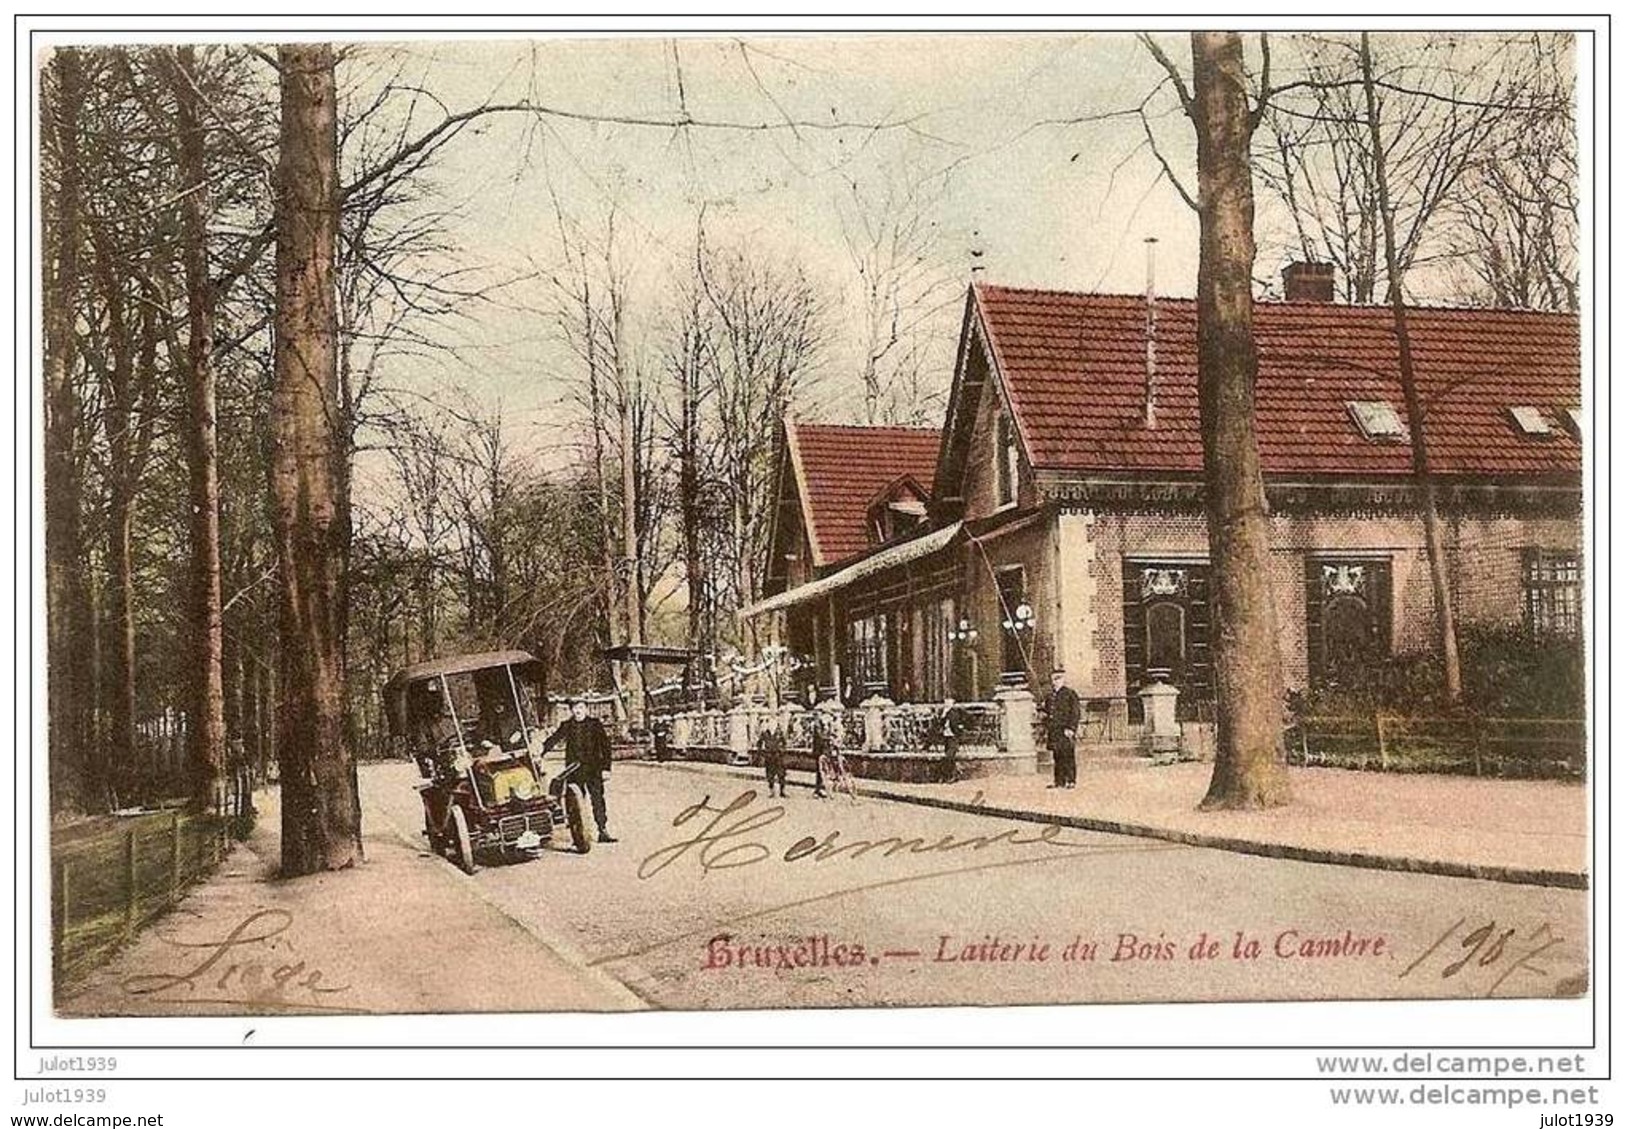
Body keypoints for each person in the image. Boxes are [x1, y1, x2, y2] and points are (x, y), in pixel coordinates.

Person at [544, 699, 617, 842]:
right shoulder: (567, 725)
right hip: (574, 770)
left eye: (580, 707)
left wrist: (606, 768)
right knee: (574, 802)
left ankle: (602, 831)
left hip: (593, 769)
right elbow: (554, 739)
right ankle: (578, 835)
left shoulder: (595, 724)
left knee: (597, 800)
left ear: (586, 709)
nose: (577, 711)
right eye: (575, 708)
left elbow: (606, 747)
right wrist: (540, 750)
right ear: (571, 710)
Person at [1043, 666, 1081, 790]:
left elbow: (1075, 713)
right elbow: (1048, 712)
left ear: (1063, 680)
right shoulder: (1050, 696)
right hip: (1054, 730)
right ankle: (1059, 781)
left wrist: (1071, 728)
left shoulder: (1070, 694)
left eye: (1058, 679)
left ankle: (1071, 780)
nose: (1055, 682)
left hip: (1065, 730)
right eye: (1053, 679)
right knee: (1057, 755)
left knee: (1068, 755)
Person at [802, 686, 828, 798]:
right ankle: (818, 789)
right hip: (819, 749)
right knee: (820, 769)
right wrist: (826, 738)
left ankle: (822, 788)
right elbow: (819, 735)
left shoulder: (824, 722)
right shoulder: (817, 724)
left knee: (824, 769)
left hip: (826, 748)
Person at [937, 696, 966, 784]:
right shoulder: (943, 712)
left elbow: (967, 719)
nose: (946, 703)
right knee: (949, 757)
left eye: (948, 701)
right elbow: (940, 723)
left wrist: (961, 726)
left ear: (953, 703)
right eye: (945, 701)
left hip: (954, 737)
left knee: (949, 756)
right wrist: (943, 715)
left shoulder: (956, 712)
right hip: (947, 736)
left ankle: (950, 775)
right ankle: (952, 775)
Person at [758, 717, 788, 797]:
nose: (772, 726)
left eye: (773, 724)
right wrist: (762, 753)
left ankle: (782, 791)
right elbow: (759, 743)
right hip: (769, 756)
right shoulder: (764, 733)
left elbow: (785, 743)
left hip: (778, 756)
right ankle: (772, 791)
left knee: (781, 774)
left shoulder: (779, 733)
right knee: (770, 775)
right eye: (770, 724)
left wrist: (782, 750)